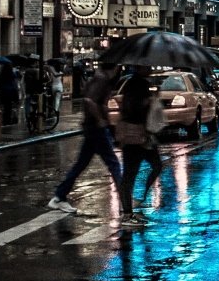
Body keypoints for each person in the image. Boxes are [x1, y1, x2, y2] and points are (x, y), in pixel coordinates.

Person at [48, 55, 124, 215]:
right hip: (96, 128)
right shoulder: (102, 79)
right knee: (113, 164)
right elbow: (90, 101)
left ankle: (59, 196)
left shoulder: (100, 78)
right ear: (115, 67)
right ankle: (125, 201)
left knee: (81, 164)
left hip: (92, 128)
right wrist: (101, 120)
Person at [112, 69, 165, 222]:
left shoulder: (139, 83)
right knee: (130, 174)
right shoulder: (135, 84)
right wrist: (147, 103)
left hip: (143, 135)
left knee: (156, 165)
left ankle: (138, 199)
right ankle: (127, 213)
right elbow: (132, 109)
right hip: (136, 135)